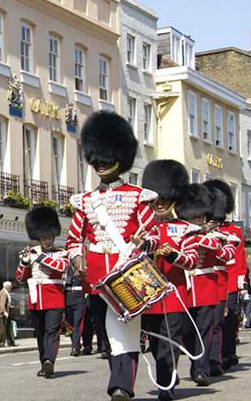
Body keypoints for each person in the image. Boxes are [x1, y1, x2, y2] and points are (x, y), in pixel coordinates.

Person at [66, 111, 157, 401]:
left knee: (125, 332)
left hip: (125, 271)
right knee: (107, 335)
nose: (102, 164)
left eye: (107, 158)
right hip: (94, 276)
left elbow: (152, 232)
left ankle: (122, 386)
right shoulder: (86, 201)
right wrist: (75, 258)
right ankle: (119, 380)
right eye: (98, 159)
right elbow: (74, 237)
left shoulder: (137, 196)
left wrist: (143, 242)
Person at [141, 160, 199, 401]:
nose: (161, 203)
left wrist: (173, 255)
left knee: (170, 342)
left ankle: (166, 385)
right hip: (148, 294)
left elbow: (192, 260)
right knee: (155, 344)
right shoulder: (144, 229)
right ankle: (166, 375)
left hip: (174, 294)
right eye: (157, 199)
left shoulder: (187, 229)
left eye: (165, 199)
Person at [178, 184, 236, 387]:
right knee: (185, 332)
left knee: (205, 330)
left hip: (206, 286)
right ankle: (193, 362)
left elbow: (227, 256)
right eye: (194, 217)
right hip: (185, 288)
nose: (198, 220)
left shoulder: (219, 237)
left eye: (201, 217)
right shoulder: (181, 234)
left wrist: (208, 241)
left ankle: (200, 370)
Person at [15, 206, 68, 379]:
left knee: (52, 331)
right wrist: (24, 262)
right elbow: (20, 278)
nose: (46, 240)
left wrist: (39, 257)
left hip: (54, 298)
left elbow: (60, 268)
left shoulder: (61, 253)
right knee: (40, 333)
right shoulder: (32, 253)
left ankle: (49, 361)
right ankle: (43, 363)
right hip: (36, 300)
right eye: (43, 237)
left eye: (48, 237)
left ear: (53, 236)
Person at [204, 180, 248, 371]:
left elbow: (239, 261)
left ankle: (227, 352)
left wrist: (239, 284)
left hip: (228, 282)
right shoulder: (203, 229)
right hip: (207, 281)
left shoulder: (233, 231)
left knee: (228, 321)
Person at [64, 265, 87, 356]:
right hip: (68, 299)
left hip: (79, 299)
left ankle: (74, 347)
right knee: (69, 325)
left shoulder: (81, 269)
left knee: (77, 323)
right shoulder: (66, 268)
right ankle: (76, 343)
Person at [0, 281, 15, 347]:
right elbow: (2, 304)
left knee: (8, 327)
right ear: (7, 286)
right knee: (2, 328)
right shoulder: (3, 293)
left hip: (5, 312)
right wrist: (4, 311)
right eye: (10, 286)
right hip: (1, 313)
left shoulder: (5, 292)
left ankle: (11, 342)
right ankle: (0, 343)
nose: (11, 287)